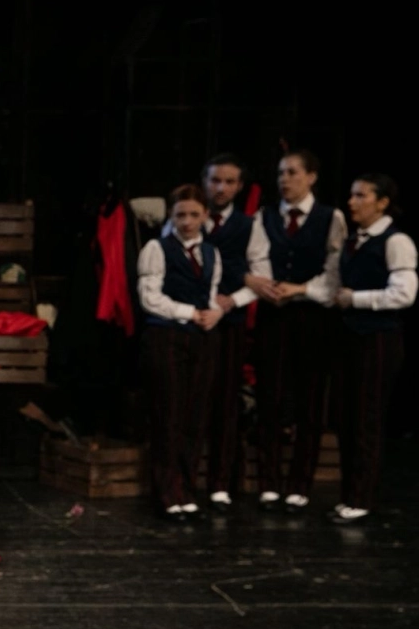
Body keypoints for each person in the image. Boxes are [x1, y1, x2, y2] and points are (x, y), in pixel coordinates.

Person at [253, 149, 345, 512]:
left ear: (311, 177)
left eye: (292, 172)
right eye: (280, 173)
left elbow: (334, 268)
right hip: (274, 313)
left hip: (312, 315)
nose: (284, 180)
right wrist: (270, 287)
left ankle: (299, 483)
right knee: (270, 397)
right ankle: (269, 481)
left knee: (310, 399)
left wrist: (301, 289)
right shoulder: (266, 216)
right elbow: (258, 257)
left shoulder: (329, 217)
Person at [185, 154, 271, 507]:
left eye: (229, 182)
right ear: (204, 182)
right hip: (192, 321)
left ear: (240, 187)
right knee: (191, 400)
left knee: (225, 401)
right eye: (215, 180)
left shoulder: (249, 225)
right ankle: (185, 479)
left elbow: (261, 278)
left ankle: (220, 482)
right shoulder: (188, 217)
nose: (221, 188)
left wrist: (231, 301)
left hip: (230, 324)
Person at [329, 173, 414, 524]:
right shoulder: (353, 241)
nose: (352, 202)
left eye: (361, 196)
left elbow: (404, 293)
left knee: (367, 416)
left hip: (379, 337)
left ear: (382, 202)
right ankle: (350, 494)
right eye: (352, 195)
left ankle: (362, 498)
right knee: (347, 416)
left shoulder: (396, 240)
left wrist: (357, 299)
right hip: (351, 336)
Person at [139, 184, 223, 520]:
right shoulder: (157, 248)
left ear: (205, 216)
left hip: (201, 339)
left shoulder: (211, 253)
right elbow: (150, 297)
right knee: (169, 414)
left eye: (194, 215)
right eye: (180, 215)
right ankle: (168, 492)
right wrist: (189, 312)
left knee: (195, 417)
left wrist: (214, 313)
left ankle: (188, 490)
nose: (187, 222)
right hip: (167, 336)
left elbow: (211, 294)